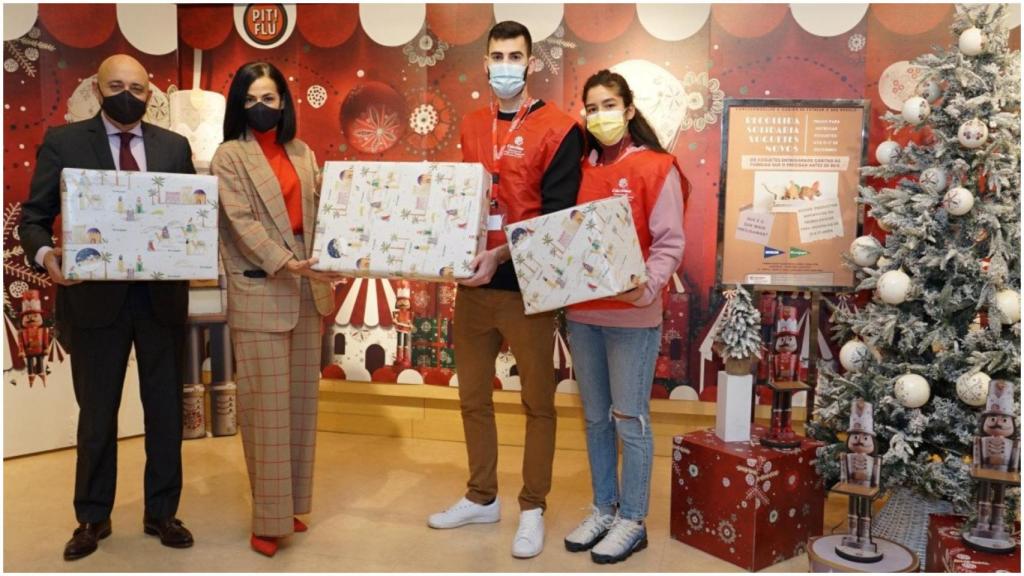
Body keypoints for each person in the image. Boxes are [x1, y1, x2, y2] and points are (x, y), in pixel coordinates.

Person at [18, 54, 196, 561]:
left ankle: (162, 511)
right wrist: (48, 255)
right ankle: (92, 516)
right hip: (94, 300)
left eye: (137, 88)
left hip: (161, 298)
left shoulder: (174, 147)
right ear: (97, 90)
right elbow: (33, 218)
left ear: (149, 93)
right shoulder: (65, 142)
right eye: (116, 85)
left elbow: (188, 215)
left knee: (165, 411)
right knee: (97, 415)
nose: (127, 95)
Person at [426, 21, 584, 559]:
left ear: (532, 62)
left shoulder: (560, 128)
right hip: (473, 287)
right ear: (486, 61)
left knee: (538, 403)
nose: (506, 64)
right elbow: (458, 201)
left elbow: (559, 218)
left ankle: (533, 507)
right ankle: (481, 495)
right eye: (497, 55)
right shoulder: (471, 125)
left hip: (528, 288)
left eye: (516, 55)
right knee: (473, 398)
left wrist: (500, 254)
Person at [211, 61, 342, 557]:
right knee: (265, 411)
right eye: (251, 100)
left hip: (307, 292)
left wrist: (338, 252)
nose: (261, 107)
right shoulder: (229, 157)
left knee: (300, 409)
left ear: (284, 102)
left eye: (269, 98)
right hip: (264, 288)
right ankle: (267, 521)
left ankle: (290, 506)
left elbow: (322, 211)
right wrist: (291, 264)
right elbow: (242, 226)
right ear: (239, 106)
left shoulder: (302, 152)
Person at [562, 70, 687, 564]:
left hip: (633, 318)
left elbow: (670, 243)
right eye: (591, 108)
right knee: (594, 419)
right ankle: (603, 508)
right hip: (583, 314)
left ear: (629, 110)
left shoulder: (658, 167)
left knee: (628, 419)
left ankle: (633, 520)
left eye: (609, 105)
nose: (600, 116)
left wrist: (647, 286)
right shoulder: (579, 170)